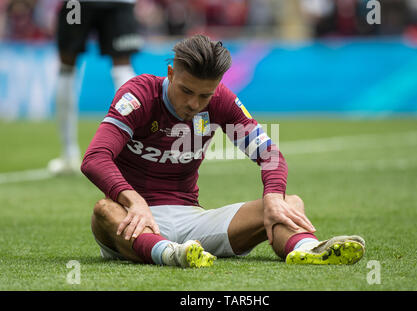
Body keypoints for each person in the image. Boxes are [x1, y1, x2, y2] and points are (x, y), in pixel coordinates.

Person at [81, 34, 366, 268]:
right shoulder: (139, 94)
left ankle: (308, 249)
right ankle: (170, 254)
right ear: (171, 73)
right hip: (132, 219)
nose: (194, 104)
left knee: (289, 202)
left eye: (204, 95)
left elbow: (270, 155)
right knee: (103, 210)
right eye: (187, 91)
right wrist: (134, 201)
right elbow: (95, 159)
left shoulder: (221, 101)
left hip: (192, 221)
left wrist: (273, 195)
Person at [49, 0, 142, 174]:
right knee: (122, 66)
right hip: (119, 3)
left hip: (77, 4)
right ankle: (135, 155)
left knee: (66, 67)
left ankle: (69, 154)